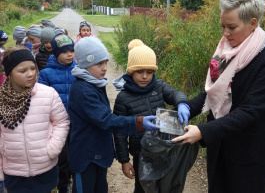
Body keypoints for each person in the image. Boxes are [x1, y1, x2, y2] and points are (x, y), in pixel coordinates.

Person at [172, 0, 265, 193]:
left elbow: (251, 110)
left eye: (231, 27)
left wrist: (203, 131)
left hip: (248, 156)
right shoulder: (224, 51)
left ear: (252, 24)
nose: (225, 33)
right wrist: (187, 106)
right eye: (222, 26)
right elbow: (213, 92)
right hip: (219, 147)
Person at [68, 37, 158, 193]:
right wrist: (138, 123)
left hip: (97, 154)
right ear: (85, 64)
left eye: (106, 62)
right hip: (85, 158)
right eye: (99, 64)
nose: (104, 68)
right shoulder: (82, 90)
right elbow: (105, 119)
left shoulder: (94, 83)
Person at [113, 39, 199, 193]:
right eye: (140, 71)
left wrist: (182, 103)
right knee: (143, 188)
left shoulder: (159, 86)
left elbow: (174, 93)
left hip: (165, 150)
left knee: (167, 185)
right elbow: (119, 132)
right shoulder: (123, 98)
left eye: (150, 72)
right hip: (141, 154)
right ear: (131, 71)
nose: (145, 76)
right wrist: (124, 160)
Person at [0, 46, 70, 193]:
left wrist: (53, 149)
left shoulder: (48, 94)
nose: (30, 74)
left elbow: (61, 121)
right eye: (22, 71)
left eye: (33, 68)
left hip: (44, 167)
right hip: (14, 171)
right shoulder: (1, 100)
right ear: (9, 73)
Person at [39, 34, 76, 193]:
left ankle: (77, 181)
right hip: (56, 125)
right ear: (55, 53)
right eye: (65, 51)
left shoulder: (79, 71)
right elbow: (41, 100)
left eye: (72, 51)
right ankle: (63, 185)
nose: (70, 54)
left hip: (76, 123)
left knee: (76, 154)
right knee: (62, 158)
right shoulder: (45, 74)